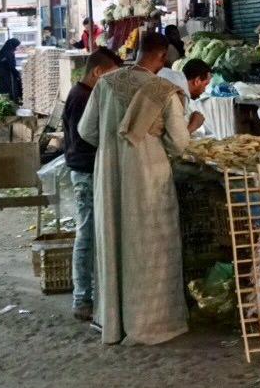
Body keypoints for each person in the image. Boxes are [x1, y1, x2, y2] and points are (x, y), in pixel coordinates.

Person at [78, 33, 203, 345]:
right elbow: (177, 143)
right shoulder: (163, 89)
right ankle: (150, 322)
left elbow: (86, 130)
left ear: (137, 51)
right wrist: (192, 126)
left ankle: (114, 321)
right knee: (149, 245)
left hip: (109, 177)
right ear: (161, 58)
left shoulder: (105, 83)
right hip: (149, 177)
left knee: (114, 241)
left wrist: (113, 147)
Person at [62, 48, 123, 322]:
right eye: (110, 76)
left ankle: (93, 295)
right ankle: (81, 298)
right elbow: (84, 140)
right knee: (86, 234)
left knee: (93, 233)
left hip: (89, 171)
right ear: (98, 72)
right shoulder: (82, 98)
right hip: (85, 174)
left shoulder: (86, 94)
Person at [0, 38, 22, 104]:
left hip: (3, 74)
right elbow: (11, 66)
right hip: (9, 76)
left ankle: (4, 103)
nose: (16, 48)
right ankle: (13, 104)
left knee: (4, 91)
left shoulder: (2, 51)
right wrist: (17, 74)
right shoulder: (9, 53)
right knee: (11, 91)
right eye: (16, 46)